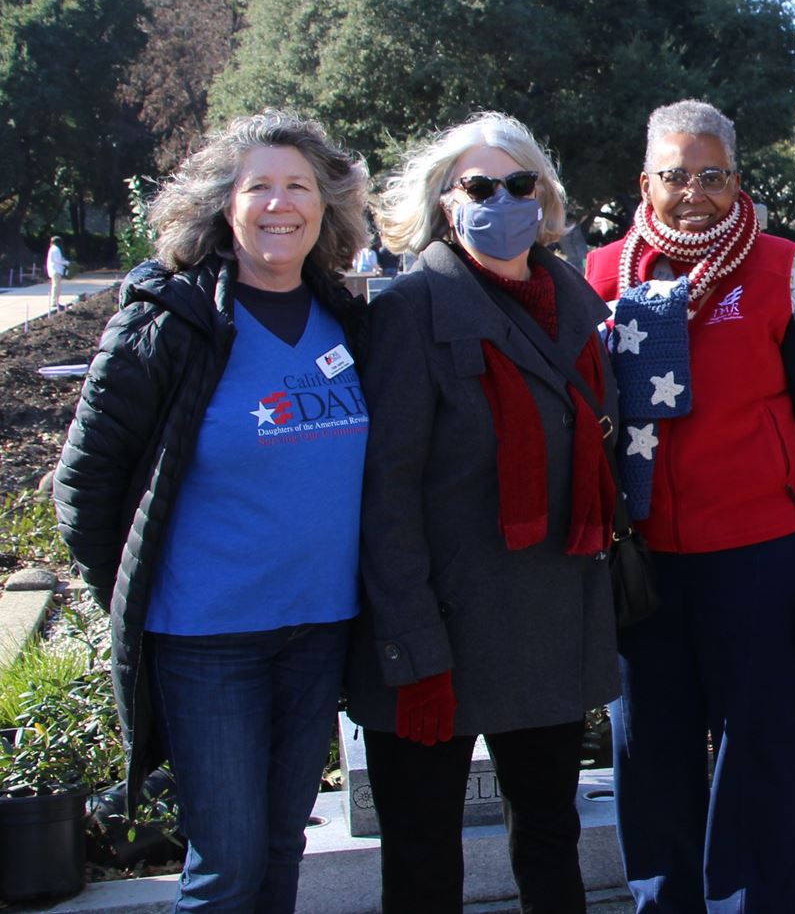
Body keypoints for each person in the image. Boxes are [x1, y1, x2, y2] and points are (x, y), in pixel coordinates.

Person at [52, 110, 371, 912]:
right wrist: (140, 592)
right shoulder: (168, 322)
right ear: (223, 206)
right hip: (207, 640)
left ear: (325, 205)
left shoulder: (350, 319)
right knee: (225, 866)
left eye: (297, 185)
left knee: (278, 848)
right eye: (256, 185)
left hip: (318, 630)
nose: (278, 204)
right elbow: (84, 488)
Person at [585, 99, 795, 913]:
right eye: (675, 175)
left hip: (762, 556)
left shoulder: (783, 267)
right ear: (646, 181)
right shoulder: (600, 276)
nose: (693, 192)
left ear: (737, 179)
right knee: (652, 754)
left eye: (712, 175)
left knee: (759, 757)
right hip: (642, 562)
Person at [345, 111, 619, 914]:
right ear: (444, 201)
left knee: (549, 839)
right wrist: (412, 649)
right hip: (440, 636)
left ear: (545, 197)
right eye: (480, 185)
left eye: (519, 183)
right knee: (426, 861)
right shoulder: (408, 310)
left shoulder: (576, 301)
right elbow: (384, 496)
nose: (503, 199)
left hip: (547, 624)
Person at [46, 235, 70, 311]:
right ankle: (54, 302)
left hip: (55, 270)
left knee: (56, 286)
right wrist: (67, 263)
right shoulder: (56, 249)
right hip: (55, 270)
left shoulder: (52, 249)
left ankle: (56, 301)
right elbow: (58, 260)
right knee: (56, 286)